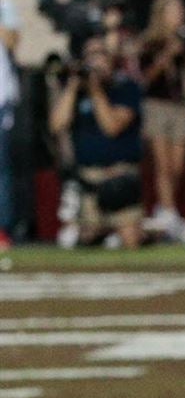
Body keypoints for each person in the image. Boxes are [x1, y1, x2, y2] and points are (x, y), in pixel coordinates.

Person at [48, 33, 144, 249]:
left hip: (119, 176)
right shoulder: (77, 91)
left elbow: (111, 127)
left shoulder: (125, 88)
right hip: (88, 178)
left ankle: (141, 233)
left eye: (100, 54)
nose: (96, 60)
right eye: (90, 55)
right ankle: (102, 235)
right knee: (84, 239)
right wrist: (72, 86)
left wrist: (95, 90)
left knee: (130, 241)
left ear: (110, 58)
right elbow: (56, 125)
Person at [138, 0, 185, 242]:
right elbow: (146, 78)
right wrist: (166, 55)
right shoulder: (149, 42)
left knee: (177, 166)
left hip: (180, 106)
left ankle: (165, 209)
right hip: (157, 104)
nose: (180, 15)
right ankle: (168, 213)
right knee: (162, 165)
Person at [0, 0, 18, 251]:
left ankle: (1, 230)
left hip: (0, 97)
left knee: (0, 171)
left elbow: (12, 40)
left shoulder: (3, 4)